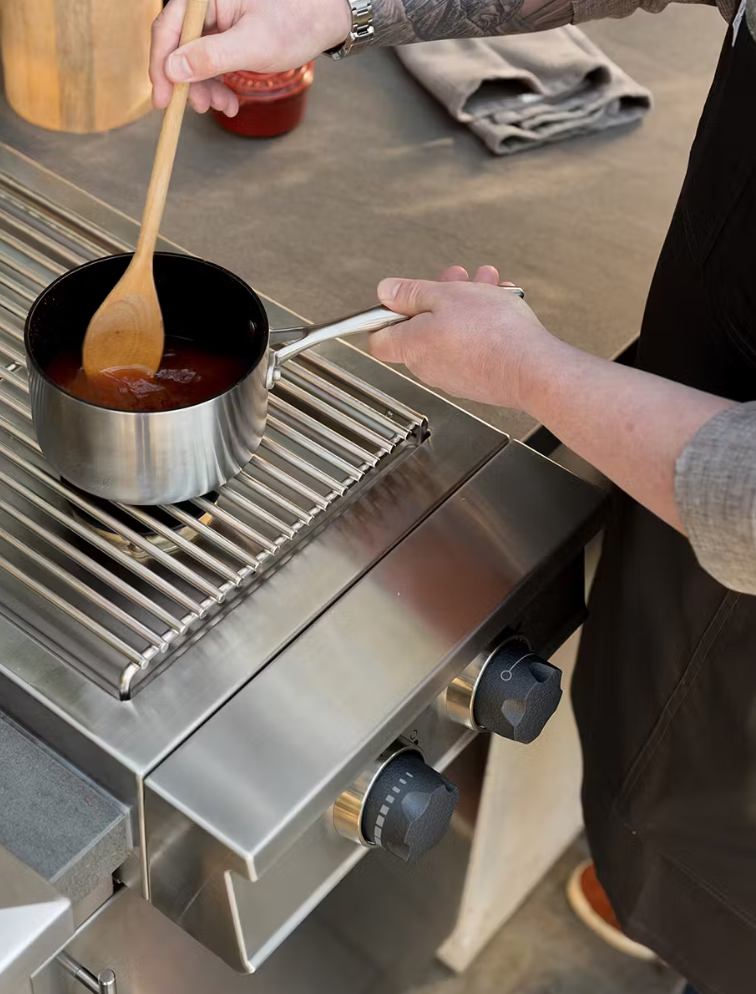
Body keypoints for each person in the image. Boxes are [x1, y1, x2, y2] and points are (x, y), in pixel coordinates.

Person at [150, 1, 756, 992]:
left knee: (703, 884)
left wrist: (534, 373)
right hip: (687, 483)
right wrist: (340, 9)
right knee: (647, 784)